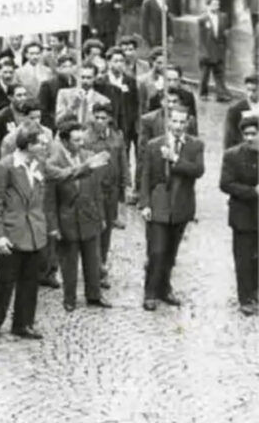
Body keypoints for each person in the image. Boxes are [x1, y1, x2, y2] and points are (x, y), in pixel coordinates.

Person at [0, 124, 50, 341]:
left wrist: (86, 167)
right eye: (40, 142)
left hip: (33, 233)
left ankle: (23, 323)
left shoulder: (38, 164)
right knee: (5, 281)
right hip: (12, 233)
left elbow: (58, 175)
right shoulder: (5, 167)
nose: (44, 145)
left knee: (30, 281)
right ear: (28, 144)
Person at [138, 108, 204, 311]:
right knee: (156, 250)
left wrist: (175, 159)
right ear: (168, 122)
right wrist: (145, 203)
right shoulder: (154, 145)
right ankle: (150, 293)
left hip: (181, 206)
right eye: (174, 121)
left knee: (170, 253)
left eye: (182, 122)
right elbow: (146, 175)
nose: (178, 126)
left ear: (188, 123)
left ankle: (164, 288)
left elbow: (197, 171)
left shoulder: (195, 145)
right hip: (159, 205)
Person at [44, 120, 112, 311]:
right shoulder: (53, 163)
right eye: (76, 140)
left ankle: (94, 295)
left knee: (93, 260)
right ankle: (70, 298)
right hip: (68, 221)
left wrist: (101, 216)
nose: (81, 143)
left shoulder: (89, 156)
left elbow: (97, 191)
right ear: (64, 141)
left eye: (82, 139)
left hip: (89, 217)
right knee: (69, 263)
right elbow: (49, 200)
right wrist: (54, 227)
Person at [83, 103, 128, 289]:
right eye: (97, 117)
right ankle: (95, 269)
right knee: (94, 229)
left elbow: (123, 162)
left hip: (112, 191)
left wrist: (126, 183)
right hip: (94, 191)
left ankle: (101, 264)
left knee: (107, 230)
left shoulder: (117, 138)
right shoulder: (86, 139)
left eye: (103, 118)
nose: (100, 121)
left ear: (110, 119)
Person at [219, 114, 259, 315]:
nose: (250, 138)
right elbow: (225, 184)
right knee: (243, 258)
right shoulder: (232, 155)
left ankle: (256, 292)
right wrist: (252, 192)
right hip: (242, 216)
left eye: (254, 134)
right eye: (246, 134)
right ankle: (245, 298)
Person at [198, 0, 232, 102]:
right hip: (207, 50)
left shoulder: (223, 17)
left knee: (219, 73)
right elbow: (201, 38)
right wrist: (203, 52)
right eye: (213, 4)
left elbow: (225, 34)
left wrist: (225, 48)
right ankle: (203, 93)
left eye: (217, 4)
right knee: (205, 75)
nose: (216, 6)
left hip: (218, 50)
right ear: (208, 5)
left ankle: (220, 94)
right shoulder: (202, 19)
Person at [223, 74, 259, 150]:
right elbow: (229, 140)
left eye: (254, 90)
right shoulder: (235, 111)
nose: (250, 94)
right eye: (248, 90)